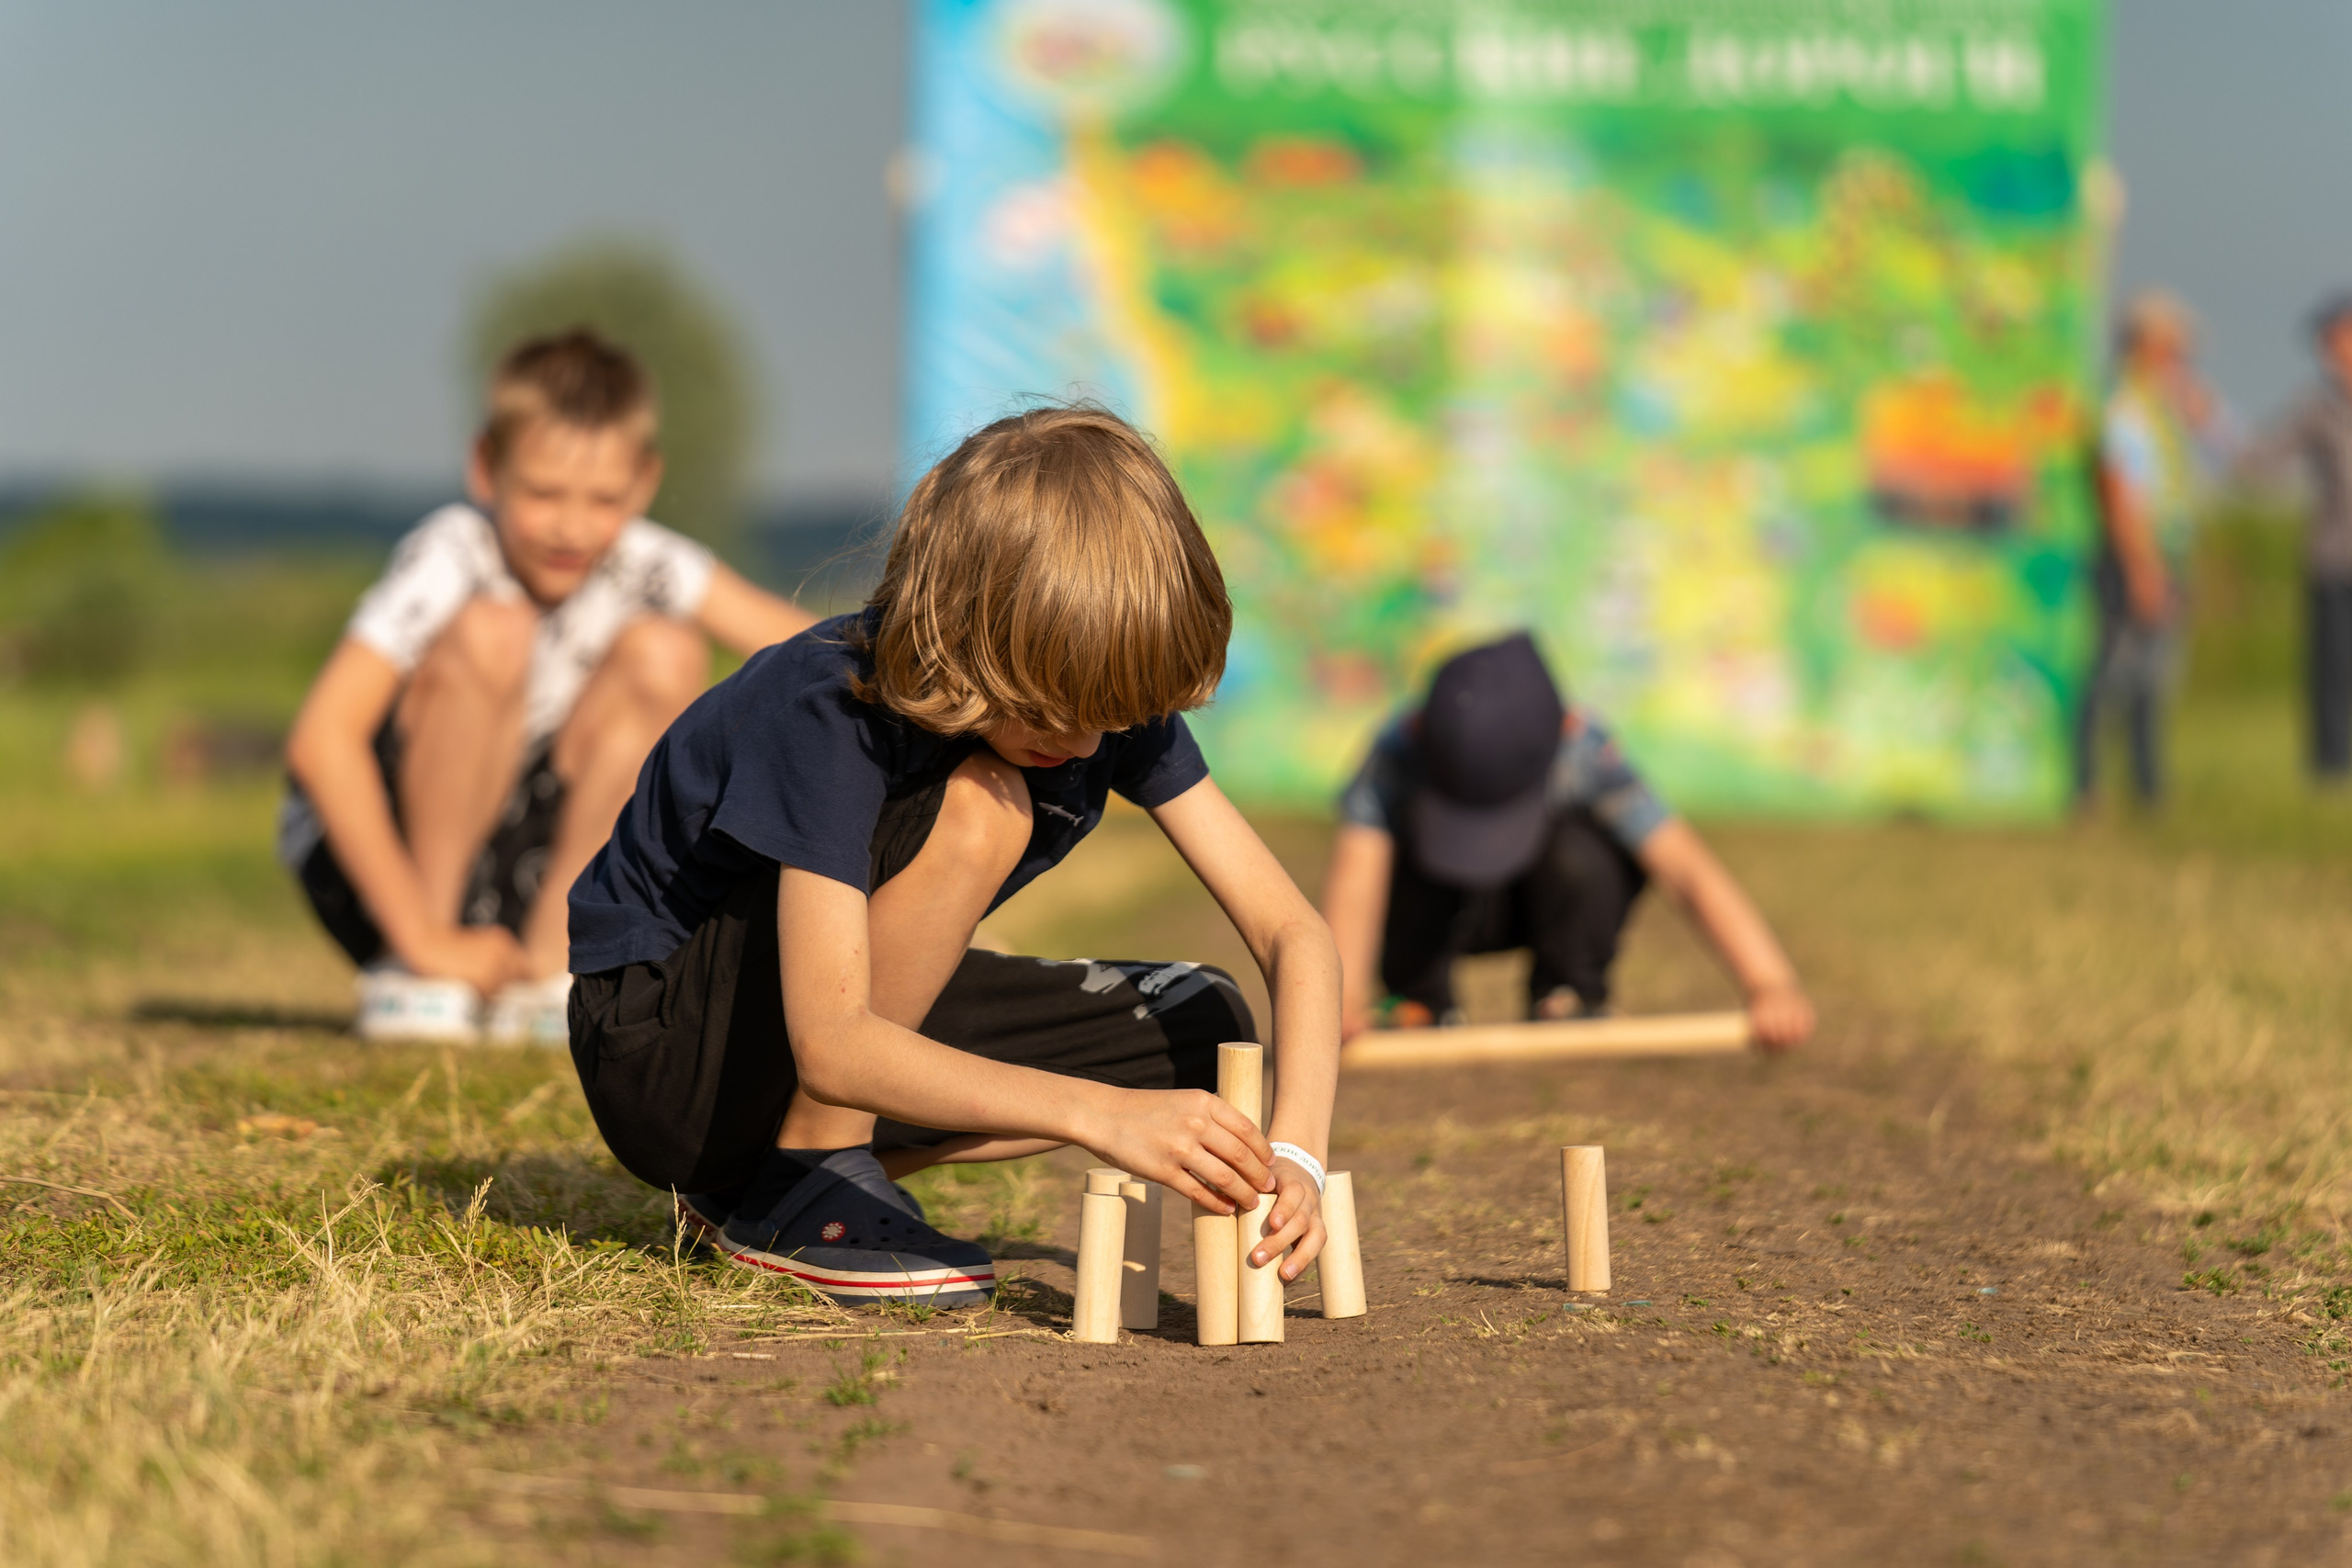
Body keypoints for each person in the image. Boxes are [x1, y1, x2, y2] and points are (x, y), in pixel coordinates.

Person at [565, 406, 1340, 1307]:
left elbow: (1292, 931)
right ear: (965, 636)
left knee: (1203, 1030)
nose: (1089, 745)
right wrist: (1098, 1115)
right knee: (984, 808)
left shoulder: (1091, 694)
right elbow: (833, 1045)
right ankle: (806, 1179)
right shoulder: (827, 713)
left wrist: (1294, 1152)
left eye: (1115, 718)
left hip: (822, 1026)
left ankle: (757, 1186)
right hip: (671, 1057)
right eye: (1060, 712)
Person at [281, 330, 814, 1043]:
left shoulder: (648, 560)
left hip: (526, 855)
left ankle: (552, 967)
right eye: (542, 492)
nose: (571, 524)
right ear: (485, 465)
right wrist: (418, 934)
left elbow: (811, 654)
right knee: (493, 633)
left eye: (602, 499)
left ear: (644, 481)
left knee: (668, 649)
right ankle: (420, 969)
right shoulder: (451, 552)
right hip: (383, 874)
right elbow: (322, 741)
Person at [1317, 633, 1814, 1051]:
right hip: (1450, 907)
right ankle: (1418, 1000)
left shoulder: (1584, 749)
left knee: (1586, 854)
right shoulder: (1398, 749)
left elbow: (1687, 869)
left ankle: (1567, 992)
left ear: (1562, 731)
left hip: (1540, 903)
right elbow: (1360, 876)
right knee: (1396, 851)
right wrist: (1342, 998)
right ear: (1423, 729)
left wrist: (1769, 983)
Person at [2075, 291, 2231, 808]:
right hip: (2135, 557)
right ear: (2147, 347)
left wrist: (2199, 413)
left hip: (2164, 554)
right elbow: (2122, 492)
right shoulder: (2125, 407)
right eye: (2176, 350)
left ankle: (2148, 785)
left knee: (2154, 676)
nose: (2183, 362)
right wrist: (2142, 566)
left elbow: (2227, 450)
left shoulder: (2159, 408)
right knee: (2117, 670)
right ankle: (2088, 785)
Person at [2238, 292, 2352, 784]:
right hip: (2334, 556)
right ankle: (2330, 772)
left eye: (2341, 338)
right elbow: (2259, 460)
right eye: (2329, 342)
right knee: (2331, 671)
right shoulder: (2316, 407)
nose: (2334, 350)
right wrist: (2211, 423)